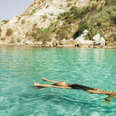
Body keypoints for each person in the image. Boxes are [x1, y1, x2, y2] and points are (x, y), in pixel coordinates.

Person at [34, 78, 116, 102]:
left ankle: (110, 96)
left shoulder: (62, 83)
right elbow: (52, 86)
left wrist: (46, 80)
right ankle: (39, 85)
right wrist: (39, 84)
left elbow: (54, 83)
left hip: (83, 87)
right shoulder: (66, 86)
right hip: (84, 88)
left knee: (98, 90)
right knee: (97, 91)